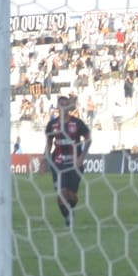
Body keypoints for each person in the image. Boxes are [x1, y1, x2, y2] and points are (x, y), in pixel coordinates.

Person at [44, 95, 92, 227]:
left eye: (66, 105)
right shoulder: (52, 124)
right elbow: (49, 143)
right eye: (61, 105)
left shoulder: (77, 123)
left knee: (72, 196)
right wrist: (45, 159)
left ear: (69, 107)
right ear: (58, 107)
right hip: (58, 163)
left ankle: (70, 210)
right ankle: (67, 216)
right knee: (61, 193)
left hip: (74, 164)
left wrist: (81, 158)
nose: (63, 107)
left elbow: (88, 139)